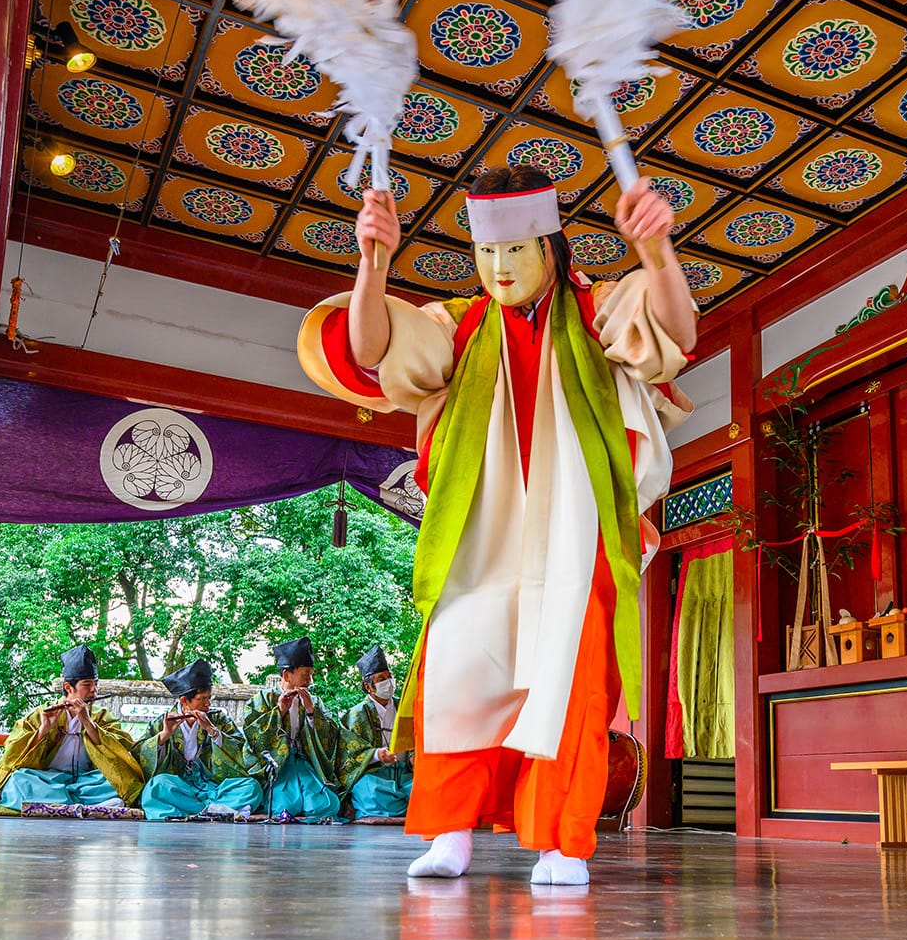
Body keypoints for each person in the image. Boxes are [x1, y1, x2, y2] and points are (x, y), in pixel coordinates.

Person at [296, 166, 694, 884]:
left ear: (551, 247)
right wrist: (373, 264)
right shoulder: (463, 324)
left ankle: (560, 842)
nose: (500, 268)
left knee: (569, 683)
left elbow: (671, 332)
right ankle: (450, 832)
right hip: (482, 533)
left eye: (515, 251)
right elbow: (373, 350)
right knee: (459, 671)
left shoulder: (598, 306)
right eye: (487, 254)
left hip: (577, 530)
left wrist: (659, 255)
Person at [0, 644, 145, 814]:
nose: (94, 690)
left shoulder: (101, 717)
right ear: (68, 688)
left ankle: (65, 805)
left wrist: (87, 722)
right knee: (18, 780)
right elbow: (13, 756)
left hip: (87, 783)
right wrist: (44, 730)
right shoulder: (41, 714)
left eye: (95, 684)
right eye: (87, 684)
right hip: (49, 781)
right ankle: (79, 807)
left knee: (121, 784)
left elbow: (121, 754)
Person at [136, 658, 263, 821]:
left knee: (252, 787)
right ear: (184, 700)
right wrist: (164, 736)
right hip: (180, 787)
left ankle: (198, 811)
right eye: (202, 699)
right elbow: (141, 756)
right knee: (156, 786)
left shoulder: (218, 719)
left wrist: (213, 731)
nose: (208, 704)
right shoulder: (163, 722)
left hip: (213, 786)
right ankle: (215, 810)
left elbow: (240, 749)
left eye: (209, 698)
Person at [242, 636, 344, 822]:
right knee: (284, 806)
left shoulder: (315, 701)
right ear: (287, 675)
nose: (310, 679)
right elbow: (252, 736)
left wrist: (312, 712)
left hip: (305, 763)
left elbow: (332, 735)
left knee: (327, 805)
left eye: (311, 674)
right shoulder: (261, 700)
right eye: (305, 674)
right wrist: (279, 711)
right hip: (280, 767)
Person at [339, 645, 411, 821]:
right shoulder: (356, 715)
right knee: (372, 793)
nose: (389, 682)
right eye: (381, 679)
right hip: (374, 774)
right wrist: (377, 754)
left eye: (389, 677)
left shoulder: (405, 708)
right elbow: (349, 754)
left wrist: (413, 756)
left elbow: (417, 737)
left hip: (405, 773)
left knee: (424, 788)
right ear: (368, 686)